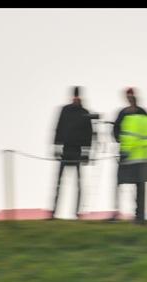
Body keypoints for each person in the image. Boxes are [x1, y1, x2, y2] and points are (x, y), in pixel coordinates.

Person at [52, 86, 94, 219]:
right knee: (59, 183)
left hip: (77, 152)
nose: (76, 98)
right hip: (66, 151)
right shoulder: (65, 110)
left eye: (78, 96)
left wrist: (86, 154)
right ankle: (54, 212)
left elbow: (89, 135)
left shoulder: (84, 112)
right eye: (75, 96)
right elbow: (58, 128)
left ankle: (77, 213)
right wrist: (56, 148)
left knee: (79, 184)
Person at [111, 87, 147, 223]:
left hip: (131, 156)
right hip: (140, 157)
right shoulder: (139, 114)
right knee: (129, 186)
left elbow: (118, 132)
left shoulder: (136, 114)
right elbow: (115, 131)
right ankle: (129, 215)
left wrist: (124, 147)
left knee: (136, 188)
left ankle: (138, 216)